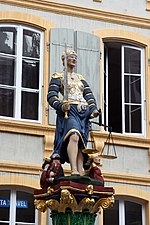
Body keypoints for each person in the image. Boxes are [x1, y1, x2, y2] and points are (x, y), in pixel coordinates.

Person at [47, 49, 99, 176]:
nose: (74, 59)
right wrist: (61, 105)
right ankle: (74, 169)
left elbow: (89, 96)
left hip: (83, 112)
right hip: (70, 111)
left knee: (81, 142)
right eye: (71, 57)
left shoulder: (80, 78)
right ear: (64, 59)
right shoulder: (57, 76)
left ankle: (80, 171)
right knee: (74, 136)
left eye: (75, 57)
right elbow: (51, 96)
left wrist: (93, 110)